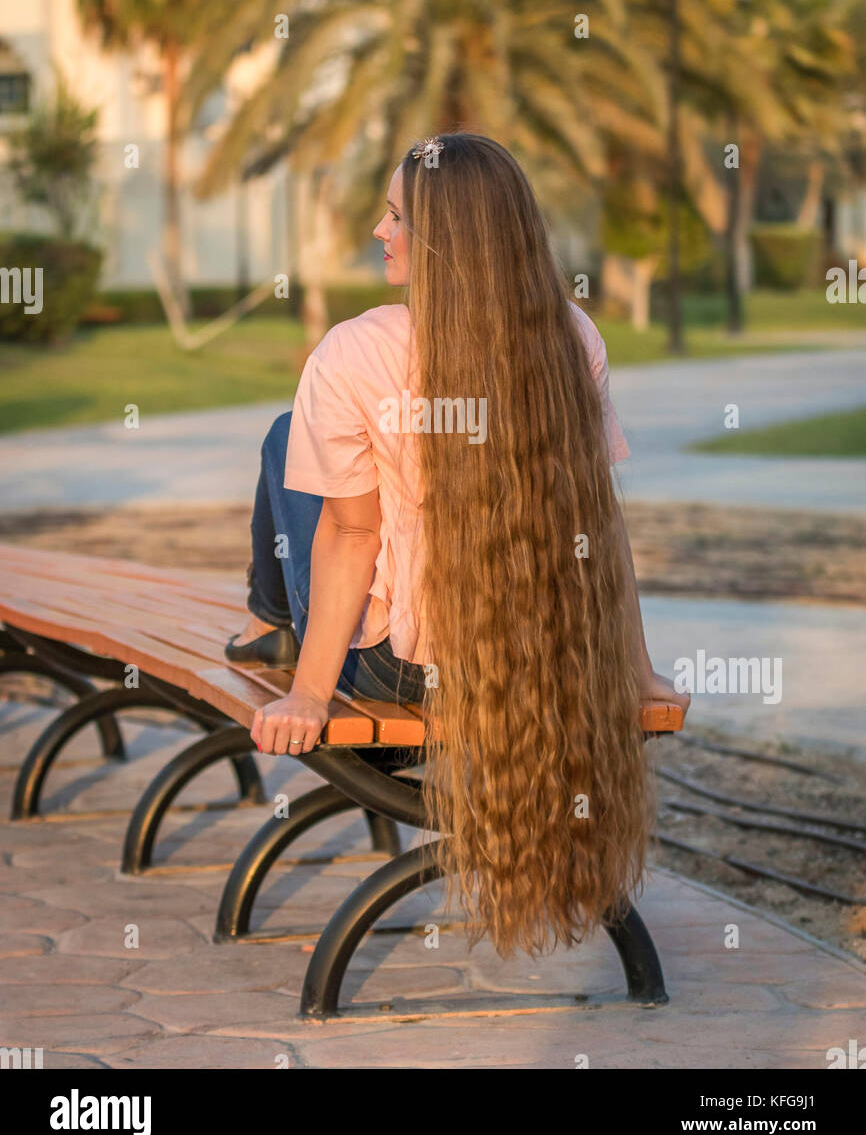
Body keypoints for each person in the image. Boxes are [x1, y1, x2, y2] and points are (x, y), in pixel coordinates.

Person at [227, 132, 689, 956]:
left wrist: (307, 692)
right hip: (535, 659)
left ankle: (271, 611)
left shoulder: (356, 350)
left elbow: (352, 534)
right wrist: (634, 666)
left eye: (397, 215)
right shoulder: (571, 337)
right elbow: (598, 524)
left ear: (444, 239)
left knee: (281, 438)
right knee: (298, 442)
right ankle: (274, 613)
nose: (379, 229)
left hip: (401, 670)